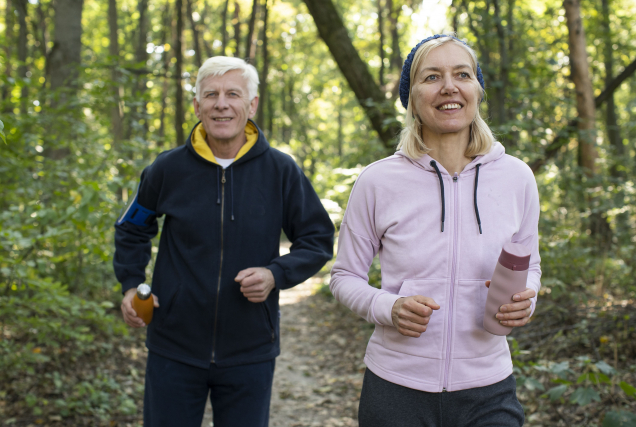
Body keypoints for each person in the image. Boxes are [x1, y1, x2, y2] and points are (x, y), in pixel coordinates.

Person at [330, 35, 541, 426]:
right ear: (412, 98)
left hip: (489, 387)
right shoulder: (377, 181)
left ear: (477, 90)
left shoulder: (517, 178)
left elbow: (530, 265)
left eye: (462, 74)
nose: (449, 86)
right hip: (396, 387)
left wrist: (526, 298)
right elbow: (344, 276)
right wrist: (387, 307)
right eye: (432, 76)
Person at [113, 56, 335, 427]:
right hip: (173, 347)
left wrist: (275, 274)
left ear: (252, 105)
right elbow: (132, 228)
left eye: (233, 94)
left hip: (250, 350)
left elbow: (317, 239)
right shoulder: (167, 169)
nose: (221, 104)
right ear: (197, 106)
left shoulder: (281, 171)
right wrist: (131, 284)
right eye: (211, 95)